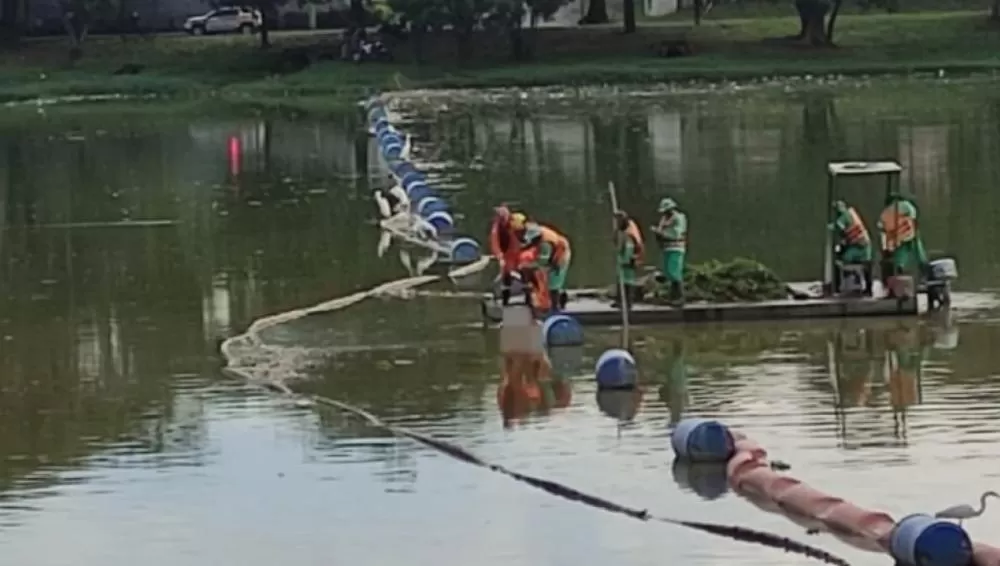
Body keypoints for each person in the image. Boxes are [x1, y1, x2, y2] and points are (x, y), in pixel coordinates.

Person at [878, 192, 928, 285]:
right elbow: (913, 215)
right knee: (919, 254)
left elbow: (882, 229)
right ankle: (925, 274)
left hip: (899, 237)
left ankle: (898, 274)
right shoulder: (906, 204)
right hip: (910, 232)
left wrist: (885, 249)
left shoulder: (885, 213)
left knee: (900, 257)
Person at [521, 221, 571, 313]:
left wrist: (528, 266)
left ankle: (555, 308)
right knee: (548, 279)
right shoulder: (538, 232)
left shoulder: (545, 245)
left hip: (560, 255)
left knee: (553, 283)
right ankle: (558, 299)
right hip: (554, 253)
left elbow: (542, 262)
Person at [829, 200, 873, 295]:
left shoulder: (843, 217)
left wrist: (831, 227)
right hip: (866, 246)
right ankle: (868, 289)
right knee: (866, 267)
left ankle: (840, 287)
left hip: (858, 248)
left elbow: (839, 228)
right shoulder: (852, 213)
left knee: (840, 262)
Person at [652, 197, 687, 306]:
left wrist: (662, 234)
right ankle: (672, 296)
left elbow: (677, 233)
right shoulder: (664, 219)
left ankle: (680, 297)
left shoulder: (679, 218)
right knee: (668, 272)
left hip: (676, 247)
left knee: (674, 272)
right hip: (666, 247)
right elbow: (661, 230)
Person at [489, 206, 523, 305]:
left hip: (516, 251)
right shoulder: (496, 229)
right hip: (505, 253)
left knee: (523, 272)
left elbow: (516, 242)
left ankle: (529, 298)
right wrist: (500, 257)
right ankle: (505, 302)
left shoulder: (514, 224)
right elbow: (495, 244)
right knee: (505, 276)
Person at [613, 210, 645, 309]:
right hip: (624, 256)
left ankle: (628, 302)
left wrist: (627, 260)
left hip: (630, 257)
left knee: (628, 280)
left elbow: (631, 247)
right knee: (620, 278)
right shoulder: (622, 229)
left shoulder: (629, 232)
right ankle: (619, 300)